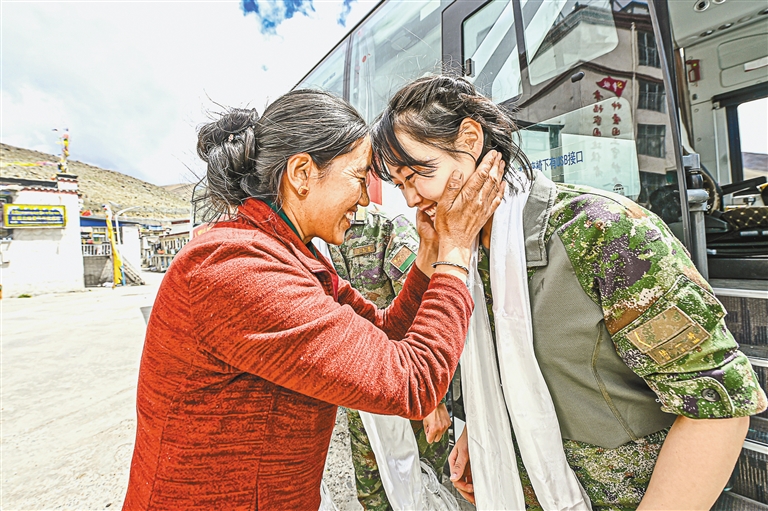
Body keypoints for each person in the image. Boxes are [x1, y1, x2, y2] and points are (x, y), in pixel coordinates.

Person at [370, 75, 767, 511]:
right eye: (400, 184)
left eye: (418, 174)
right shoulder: (464, 253)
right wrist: (481, 433)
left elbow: (718, 405)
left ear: (469, 139)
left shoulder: (601, 232)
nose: (412, 199)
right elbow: (511, 372)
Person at [122, 89, 507, 510]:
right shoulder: (235, 268)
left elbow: (385, 333)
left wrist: (431, 251)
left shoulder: (287, 254)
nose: (365, 199)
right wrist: (456, 250)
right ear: (302, 173)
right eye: (359, 178)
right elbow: (414, 382)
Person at [317, 204, 451, 510]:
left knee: (421, 488)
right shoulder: (313, 240)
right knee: (372, 494)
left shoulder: (386, 229)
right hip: (358, 397)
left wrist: (434, 398)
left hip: (406, 390)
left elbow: (426, 309)